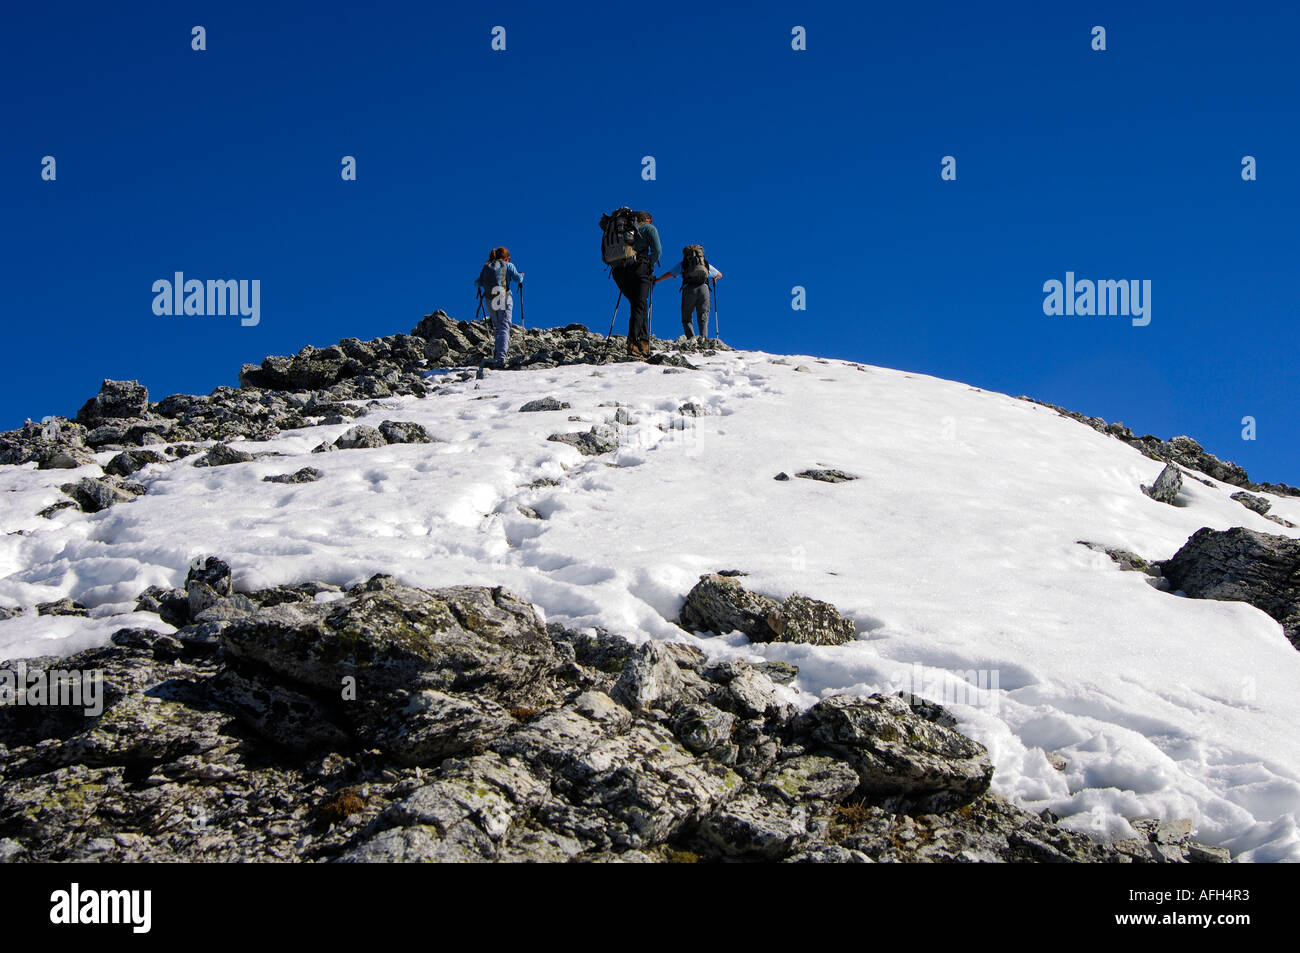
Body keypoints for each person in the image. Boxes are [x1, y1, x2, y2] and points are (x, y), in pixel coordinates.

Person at [610, 211, 661, 358]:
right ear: (648, 219)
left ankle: (642, 344)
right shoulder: (649, 228)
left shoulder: (624, 230)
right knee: (640, 305)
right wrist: (649, 265)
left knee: (638, 305)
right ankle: (634, 343)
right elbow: (657, 251)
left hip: (619, 272)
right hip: (640, 269)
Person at [656, 246, 722, 339]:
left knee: (686, 317)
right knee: (703, 315)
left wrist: (657, 280)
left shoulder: (684, 264)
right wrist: (714, 278)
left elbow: (670, 274)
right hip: (704, 289)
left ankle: (691, 339)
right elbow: (719, 274)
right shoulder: (705, 264)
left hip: (689, 289)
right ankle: (703, 339)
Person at [475, 247, 524, 367]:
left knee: (497, 327)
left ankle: (497, 355)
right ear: (507, 258)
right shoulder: (508, 265)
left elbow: (477, 283)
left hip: (489, 299)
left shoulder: (487, 266)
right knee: (504, 327)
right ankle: (501, 358)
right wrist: (521, 276)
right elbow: (518, 279)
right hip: (503, 297)